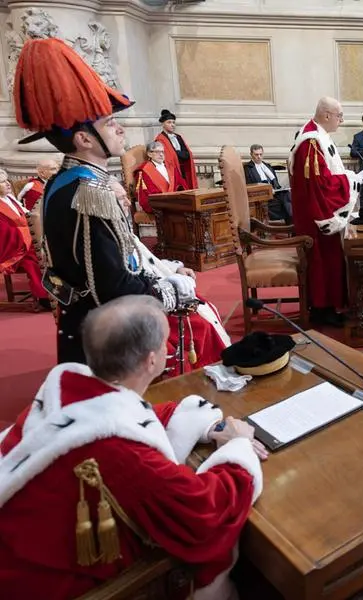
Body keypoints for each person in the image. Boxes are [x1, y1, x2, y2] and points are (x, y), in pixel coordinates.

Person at [0, 295, 265, 599]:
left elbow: (127, 414)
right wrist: (238, 448)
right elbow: (203, 513)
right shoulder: (120, 453)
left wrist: (200, 422)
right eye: (166, 341)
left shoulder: (67, 386)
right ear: (151, 360)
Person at [12, 38, 196, 364]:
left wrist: (162, 269)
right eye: (110, 122)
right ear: (84, 139)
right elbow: (112, 288)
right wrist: (171, 290)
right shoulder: (89, 193)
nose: (120, 128)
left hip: (84, 321)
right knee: (202, 323)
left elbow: (119, 258)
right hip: (106, 338)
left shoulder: (64, 181)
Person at [112, 179, 230, 372]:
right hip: (144, 303)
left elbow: (147, 262)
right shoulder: (111, 239)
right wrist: (165, 285)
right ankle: (206, 373)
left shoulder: (124, 231)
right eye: (121, 198)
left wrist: (174, 269)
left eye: (126, 196)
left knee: (206, 307)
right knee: (200, 324)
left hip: (155, 288)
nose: (127, 202)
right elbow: (132, 278)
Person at [290, 96, 360, 327]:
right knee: (325, 261)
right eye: (339, 116)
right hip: (317, 217)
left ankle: (328, 306)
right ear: (327, 115)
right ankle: (323, 310)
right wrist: (349, 181)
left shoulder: (317, 134)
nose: (341, 120)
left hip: (313, 210)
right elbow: (320, 187)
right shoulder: (311, 141)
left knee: (330, 260)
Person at [0, 168, 50, 311]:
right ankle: (44, 296)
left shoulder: (9, 198)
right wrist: (29, 233)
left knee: (50, 248)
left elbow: (26, 215)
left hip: (26, 241)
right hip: (13, 248)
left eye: (7, 180)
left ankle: (57, 289)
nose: (8, 184)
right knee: (34, 258)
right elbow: (4, 234)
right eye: (3, 182)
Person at [244, 143, 292, 224]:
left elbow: (276, 183)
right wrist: (267, 190)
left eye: (260, 154)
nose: (259, 157)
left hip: (275, 193)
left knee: (288, 195)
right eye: (256, 154)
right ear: (251, 154)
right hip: (262, 197)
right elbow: (249, 185)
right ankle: (292, 222)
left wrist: (277, 190)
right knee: (287, 201)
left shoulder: (267, 166)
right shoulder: (248, 168)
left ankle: (292, 222)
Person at [133, 141, 186, 214]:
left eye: (162, 152)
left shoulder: (171, 167)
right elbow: (144, 194)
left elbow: (182, 185)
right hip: (160, 206)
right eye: (157, 152)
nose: (161, 154)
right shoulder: (143, 171)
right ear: (149, 154)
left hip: (175, 202)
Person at [154, 109, 197, 189]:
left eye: (173, 122)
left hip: (183, 169)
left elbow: (187, 154)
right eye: (169, 122)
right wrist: (178, 153)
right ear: (163, 124)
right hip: (172, 171)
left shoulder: (178, 137)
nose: (172, 125)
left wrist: (177, 153)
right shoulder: (160, 139)